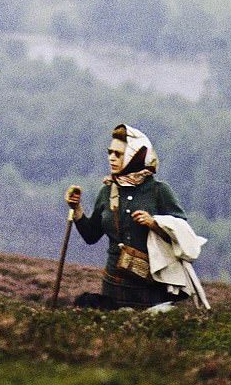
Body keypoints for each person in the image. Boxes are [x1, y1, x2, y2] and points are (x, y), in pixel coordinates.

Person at [65, 123, 191, 310]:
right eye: (110, 152)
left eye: (118, 154)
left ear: (135, 155)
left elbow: (182, 234)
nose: (111, 158)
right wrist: (76, 209)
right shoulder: (107, 191)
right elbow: (91, 236)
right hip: (113, 287)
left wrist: (155, 223)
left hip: (151, 287)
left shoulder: (158, 191)